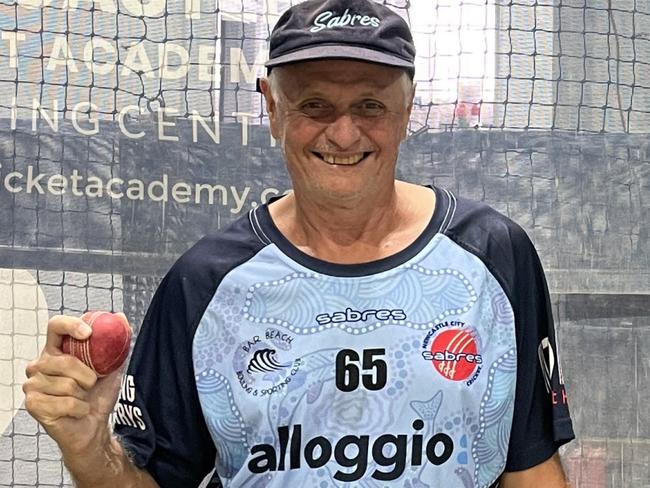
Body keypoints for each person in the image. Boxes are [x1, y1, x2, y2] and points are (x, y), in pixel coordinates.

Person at [23, 0, 575, 486]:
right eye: (314, 105)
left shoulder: (492, 255)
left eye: (370, 105)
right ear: (271, 108)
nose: (342, 133)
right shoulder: (208, 281)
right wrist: (90, 449)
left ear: (407, 111)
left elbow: (530, 466)